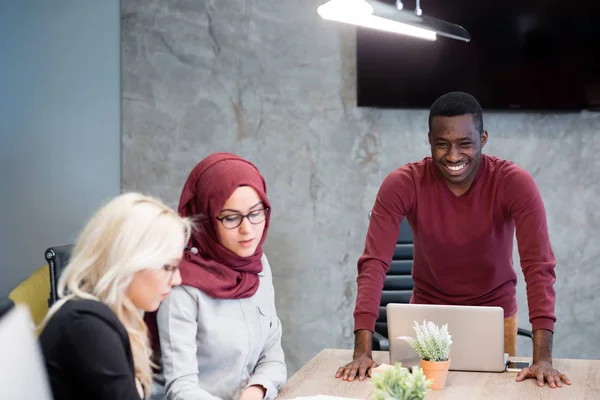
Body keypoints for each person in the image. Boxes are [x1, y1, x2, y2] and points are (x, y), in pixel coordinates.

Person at [336, 91, 571, 388]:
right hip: (424, 321)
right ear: (429, 140)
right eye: (442, 144)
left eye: (465, 144)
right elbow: (373, 264)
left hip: (493, 320)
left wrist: (543, 359)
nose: (453, 155)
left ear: (483, 138)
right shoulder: (403, 183)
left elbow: (539, 268)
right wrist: (362, 352)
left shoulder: (514, 183)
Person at [154, 152, 287, 400]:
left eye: (256, 213)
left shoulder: (257, 265)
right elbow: (180, 389)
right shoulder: (180, 285)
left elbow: (272, 355)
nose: (247, 229)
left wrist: (257, 389)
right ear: (205, 219)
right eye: (231, 217)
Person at [39, 193, 192, 400]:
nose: (178, 279)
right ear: (129, 261)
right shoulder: (88, 327)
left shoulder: (101, 318)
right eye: (169, 267)